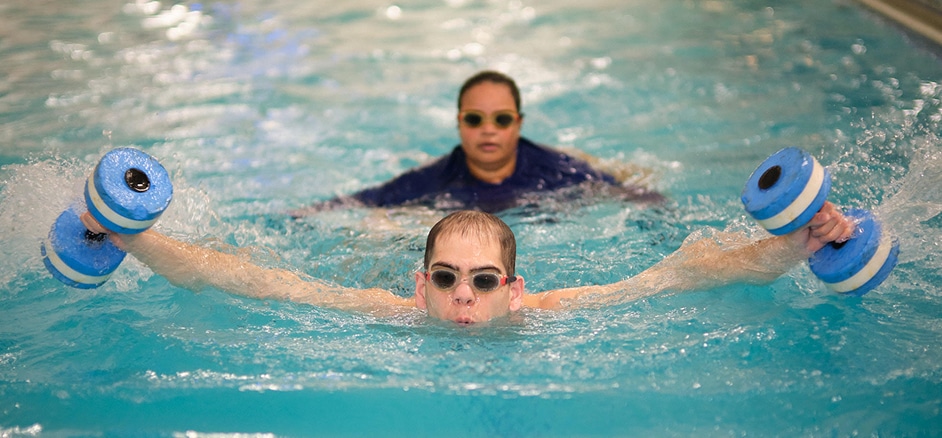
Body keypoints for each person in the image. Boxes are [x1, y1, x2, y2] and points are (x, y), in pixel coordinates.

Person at [80, 202, 853, 325]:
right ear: (419, 284)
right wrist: (131, 238)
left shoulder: (550, 315)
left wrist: (803, 244)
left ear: (514, 290)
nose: (462, 297)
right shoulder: (386, 313)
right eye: (446, 278)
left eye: (483, 282)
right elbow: (242, 276)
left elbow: (691, 270)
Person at [291, 71, 663, 215]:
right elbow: (364, 201)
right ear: (459, 124)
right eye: (474, 119)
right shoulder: (434, 180)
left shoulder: (558, 170)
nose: (488, 130)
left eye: (501, 119)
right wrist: (304, 215)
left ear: (518, 124)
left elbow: (631, 194)